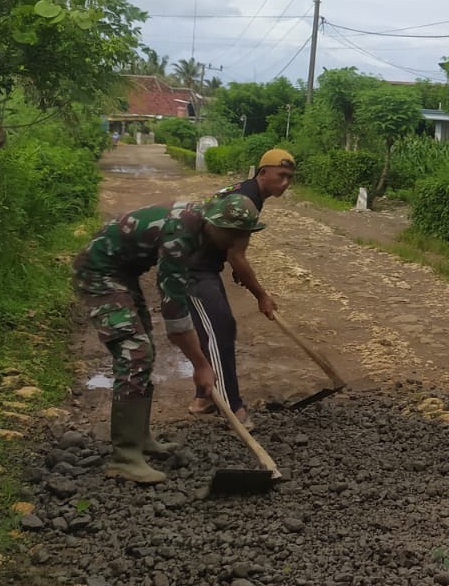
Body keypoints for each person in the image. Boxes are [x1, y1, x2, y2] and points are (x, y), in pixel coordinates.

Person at [72, 192, 266, 484]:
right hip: (99, 272)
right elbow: (174, 314)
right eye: (233, 234)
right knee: (134, 352)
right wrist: (201, 365)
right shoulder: (180, 236)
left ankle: (140, 438)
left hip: (123, 273)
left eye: (244, 235)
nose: (238, 242)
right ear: (215, 224)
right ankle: (125, 457)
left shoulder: (202, 225)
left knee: (143, 349)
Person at [185, 148, 296, 426]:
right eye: (281, 175)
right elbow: (237, 254)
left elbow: (230, 243)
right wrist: (261, 295)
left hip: (205, 264)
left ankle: (203, 397)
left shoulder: (251, 193)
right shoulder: (245, 199)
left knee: (215, 328)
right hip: (190, 267)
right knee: (219, 331)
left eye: (290, 178)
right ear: (263, 173)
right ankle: (232, 407)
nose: (285, 183)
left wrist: (233, 262)